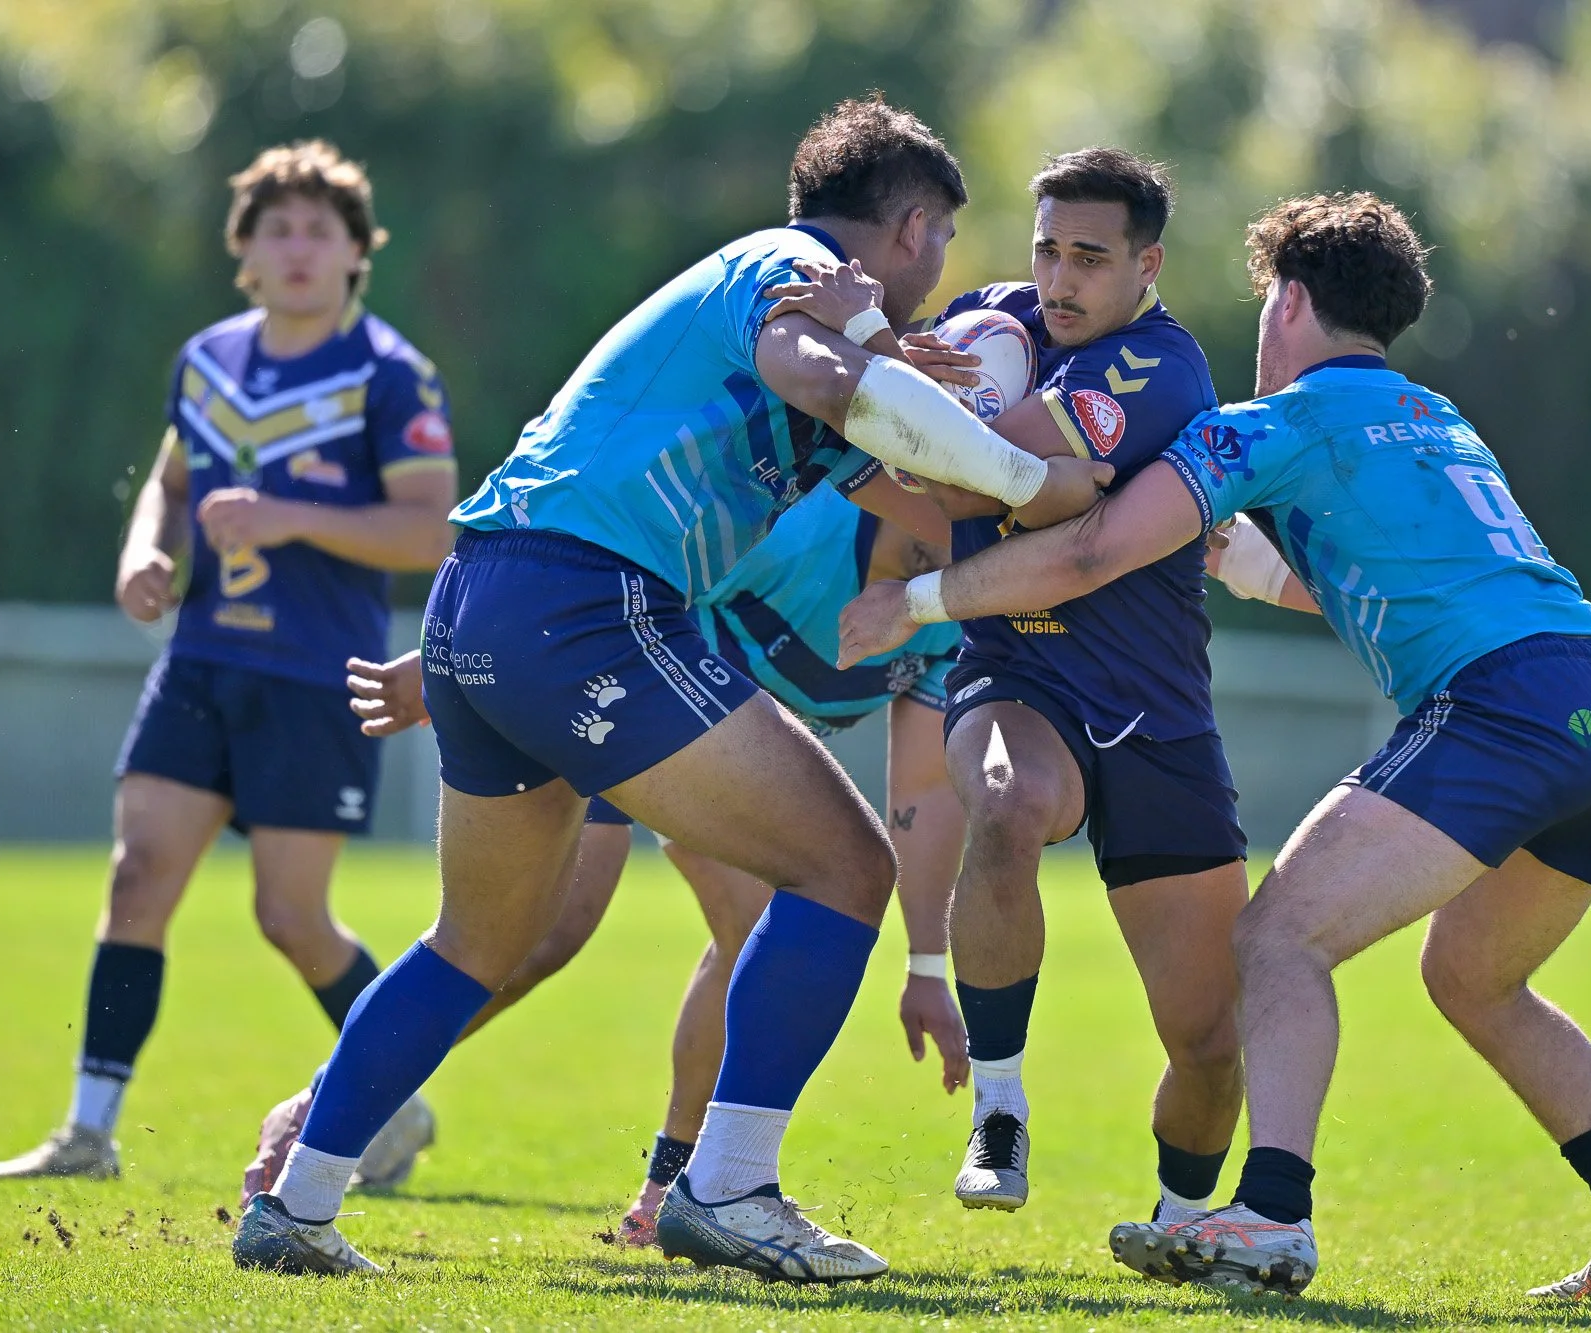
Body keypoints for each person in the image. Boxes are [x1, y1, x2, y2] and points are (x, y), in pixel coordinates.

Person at [231, 94, 1111, 1279]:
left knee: (476, 941)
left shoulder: (817, 314)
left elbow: (936, 497)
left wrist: (1048, 475)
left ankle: (295, 1204)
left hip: (486, 595)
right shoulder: (795, 269)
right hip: (587, 606)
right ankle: (728, 1185)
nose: (942, 265)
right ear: (911, 227)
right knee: (843, 868)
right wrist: (1024, 470)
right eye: (943, 239)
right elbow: (814, 371)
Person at [837, 192, 1591, 1303]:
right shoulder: (1432, 414)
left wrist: (916, 599)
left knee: (1276, 938)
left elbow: (1089, 551)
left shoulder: (1269, 424)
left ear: (1288, 302)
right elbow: (1359, 576)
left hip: (1506, 708)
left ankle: (1272, 1215)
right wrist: (1226, 555)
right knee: (1475, 979)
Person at [236, 485, 973, 1252]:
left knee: (753, 928)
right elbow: (628, 576)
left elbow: (923, 792)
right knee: (533, 936)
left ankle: (676, 1187)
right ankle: (324, 1110)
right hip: (617, 692)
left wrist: (926, 964)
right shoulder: (805, 529)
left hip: (722, 765)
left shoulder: (949, 610)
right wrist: (458, 657)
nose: (978, 521)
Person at [777, 148, 1260, 1227]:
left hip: (1155, 712)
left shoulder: (1159, 368)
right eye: (1047, 249)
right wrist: (879, 362)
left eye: (1090, 257)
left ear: (1147, 265)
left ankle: (1182, 1219)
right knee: (1003, 800)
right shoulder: (990, 318)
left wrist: (878, 361)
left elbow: (977, 467)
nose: (1059, 279)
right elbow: (937, 457)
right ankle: (998, 1108)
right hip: (1016, 669)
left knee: (1208, 1040)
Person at [0, 141, 458, 1184]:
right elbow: (169, 483)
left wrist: (290, 516)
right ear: (243, 254)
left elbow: (431, 531)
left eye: (319, 231)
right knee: (137, 875)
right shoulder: (206, 361)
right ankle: (88, 1131)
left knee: (290, 917)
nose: (297, 249)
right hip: (200, 661)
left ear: (357, 254)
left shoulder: (388, 373)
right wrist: (142, 553)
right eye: (275, 230)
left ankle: (396, 1101)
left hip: (315, 675)